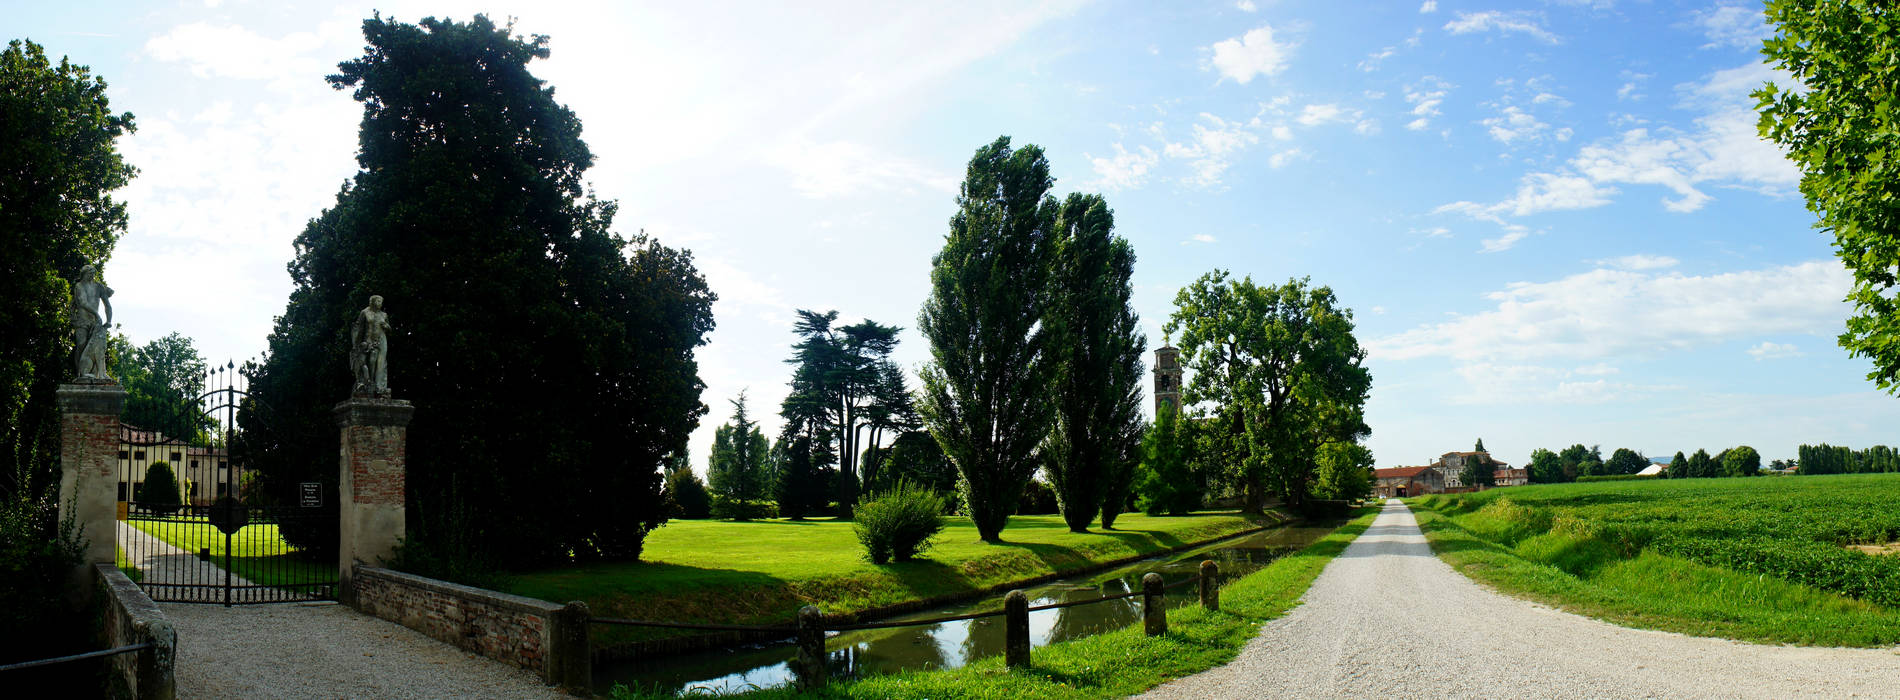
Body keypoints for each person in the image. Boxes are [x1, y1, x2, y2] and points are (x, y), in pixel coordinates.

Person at [70, 264, 114, 380]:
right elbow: (83, 303)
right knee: (81, 344)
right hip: (82, 321)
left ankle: (98, 374)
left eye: (94, 274)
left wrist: (109, 320)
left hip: (95, 323)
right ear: (84, 274)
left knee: (97, 348)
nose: (92, 276)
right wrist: (96, 314)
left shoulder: (98, 287)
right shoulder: (79, 286)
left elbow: (107, 305)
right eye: (90, 274)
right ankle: (80, 373)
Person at [351, 295, 391, 396]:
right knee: (367, 363)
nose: (380, 303)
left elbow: (389, 329)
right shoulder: (365, 312)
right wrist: (357, 344)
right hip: (367, 342)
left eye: (381, 301)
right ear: (372, 302)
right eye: (378, 301)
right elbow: (359, 328)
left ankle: (379, 387)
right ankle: (366, 384)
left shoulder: (384, 315)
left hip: (381, 341)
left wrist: (387, 326)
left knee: (379, 363)